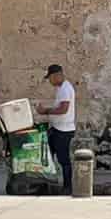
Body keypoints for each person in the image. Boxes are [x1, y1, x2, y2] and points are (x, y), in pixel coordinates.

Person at [38, 63, 76, 191]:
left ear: (57, 75)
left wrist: (46, 111)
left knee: (63, 159)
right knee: (48, 154)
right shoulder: (61, 88)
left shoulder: (66, 88)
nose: (50, 81)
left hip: (64, 130)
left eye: (50, 78)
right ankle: (49, 181)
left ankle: (67, 186)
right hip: (57, 128)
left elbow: (64, 109)